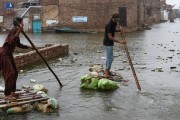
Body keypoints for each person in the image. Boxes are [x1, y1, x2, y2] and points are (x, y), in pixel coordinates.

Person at [0, 17, 32, 99]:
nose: (23, 24)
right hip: (4, 54)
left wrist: (28, 47)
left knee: (15, 72)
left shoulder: (16, 31)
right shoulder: (13, 30)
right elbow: (10, 42)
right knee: (10, 73)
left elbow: (18, 44)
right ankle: (7, 94)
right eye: (22, 22)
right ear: (18, 23)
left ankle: (12, 91)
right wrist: (18, 31)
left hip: (9, 54)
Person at [103, 13, 126, 78]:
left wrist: (118, 30)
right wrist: (120, 42)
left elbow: (113, 30)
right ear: (113, 18)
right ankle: (106, 73)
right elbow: (110, 36)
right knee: (109, 57)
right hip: (107, 43)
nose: (117, 21)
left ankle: (107, 70)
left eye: (118, 20)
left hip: (111, 43)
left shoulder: (114, 23)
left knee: (111, 58)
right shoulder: (109, 25)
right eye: (116, 20)